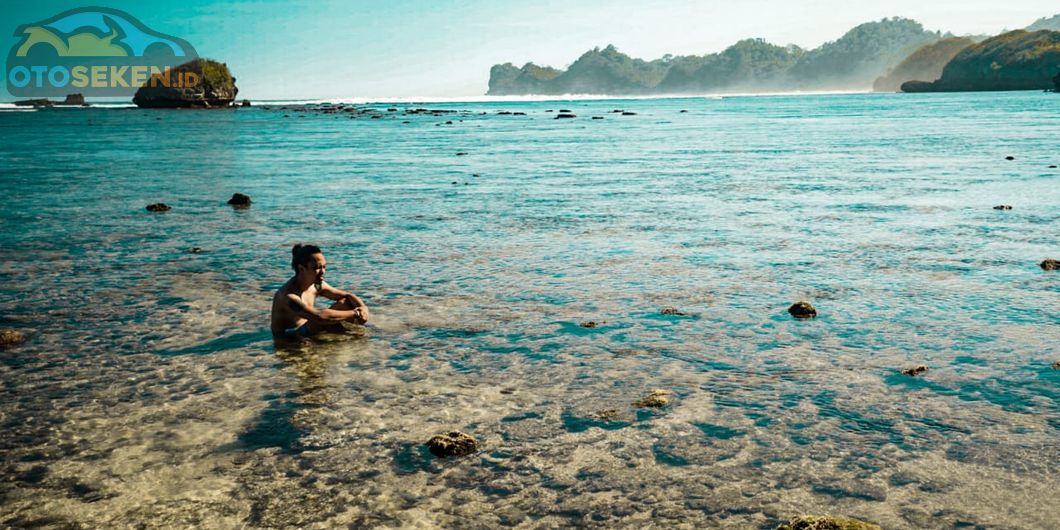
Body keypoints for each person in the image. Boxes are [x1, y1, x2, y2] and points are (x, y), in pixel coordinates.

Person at [271, 244, 370, 339]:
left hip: (309, 327)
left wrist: (362, 308)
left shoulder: (316, 285)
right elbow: (319, 317)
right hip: (290, 336)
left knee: (346, 302)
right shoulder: (288, 296)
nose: (323, 272)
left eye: (324, 267)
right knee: (326, 318)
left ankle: (349, 333)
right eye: (317, 268)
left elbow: (348, 295)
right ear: (301, 269)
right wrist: (355, 313)